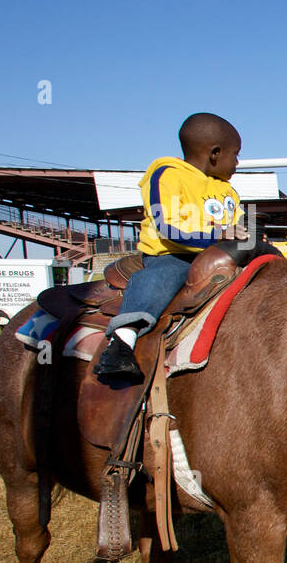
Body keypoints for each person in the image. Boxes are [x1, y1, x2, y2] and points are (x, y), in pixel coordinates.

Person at [94, 112, 248, 380]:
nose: (237, 162)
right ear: (215, 154)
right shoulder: (168, 175)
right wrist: (219, 235)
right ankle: (121, 341)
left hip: (221, 256)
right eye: (234, 154)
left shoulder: (228, 191)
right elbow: (167, 227)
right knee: (162, 278)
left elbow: (239, 224)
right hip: (174, 255)